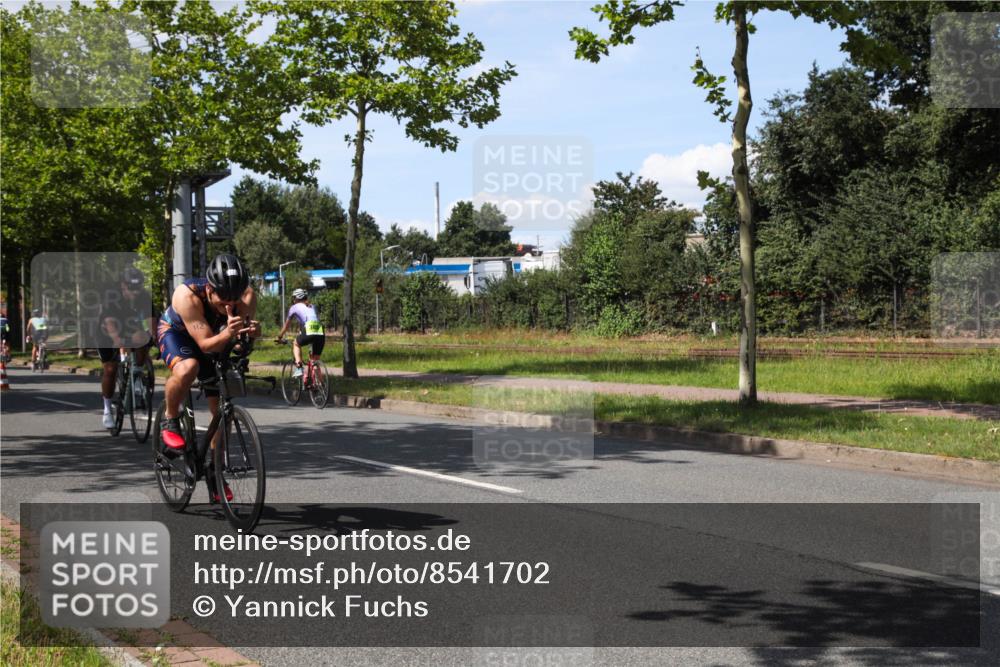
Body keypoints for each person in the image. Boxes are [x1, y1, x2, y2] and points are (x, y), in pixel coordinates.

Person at [157, 254, 260, 500]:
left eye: (234, 300)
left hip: (215, 339)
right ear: (210, 289)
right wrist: (230, 335)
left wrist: (252, 335)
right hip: (178, 335)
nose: (229, 305)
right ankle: (170, 419)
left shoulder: (246, 297)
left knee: (221, 413)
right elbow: (204, 345)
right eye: (223, 299)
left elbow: (239, 343)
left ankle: (215, 472)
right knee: (187, 367)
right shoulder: (187, 296)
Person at [98, 267, 155, 428]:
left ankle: (136, 372)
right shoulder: (112, 297)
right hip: (106, 330)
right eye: (132, 288)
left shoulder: (144, 296)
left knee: (144, 338)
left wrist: (154, 337)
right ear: (123, 285)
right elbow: (109, 322)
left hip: (129, 325)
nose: (135, 292)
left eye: (138, 287)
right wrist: (118, 339)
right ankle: (107, 409)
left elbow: (151, 318)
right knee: (110, 369)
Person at [276, 288, 325, 378]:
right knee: (315, 361)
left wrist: (279, 336)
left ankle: (299, 367)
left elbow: (286, 326)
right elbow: (313, 320)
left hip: (309, 330)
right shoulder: (312, 306)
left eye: (293, 298)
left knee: (296, 344)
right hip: (320, 331)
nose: (293, 300)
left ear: (296, 298)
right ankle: (321, 388)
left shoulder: (294, 307)